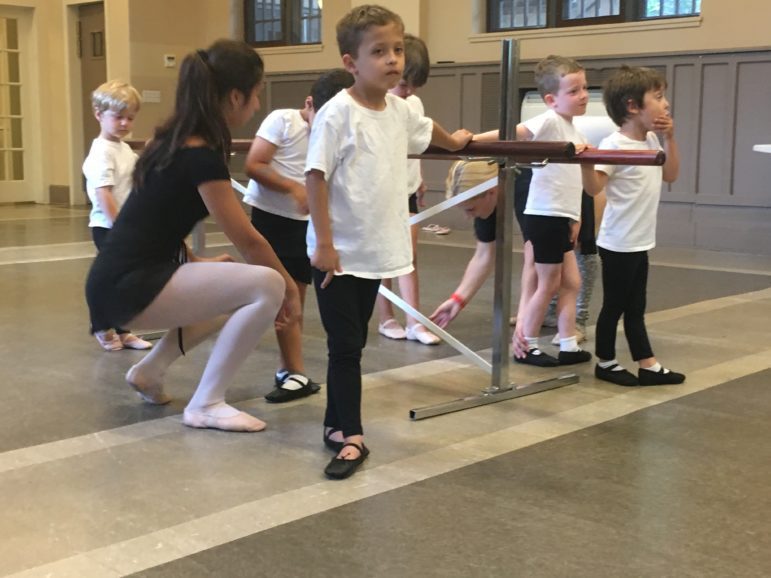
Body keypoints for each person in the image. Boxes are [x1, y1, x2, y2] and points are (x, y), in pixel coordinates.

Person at [85, 40, 301, 432]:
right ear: (235, 97)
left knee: (235, 282)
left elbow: (159, 223)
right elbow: (247, 238)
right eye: (254, 96)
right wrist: (290, 288)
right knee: (265, 283)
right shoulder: (199, 155)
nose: (255, 106)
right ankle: (206, 402)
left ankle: (149, 371)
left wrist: (198, 264)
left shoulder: (169, 142)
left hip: (114, 282)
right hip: (128, 285)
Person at [306, 4, 472, 480]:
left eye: (397, 49)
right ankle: (353, 437)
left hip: (375, 247)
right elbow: (315, 177)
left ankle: (335, 424)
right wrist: (324, 243)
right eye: (378, 51)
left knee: (353, 341)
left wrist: (457, 143)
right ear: (350, 63)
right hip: (338, 251)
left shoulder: (400, 109)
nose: (392, 60)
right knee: (344, 345)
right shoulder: (338, 113)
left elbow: (430, 133)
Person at [243, 68, 354, 404]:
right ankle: (292, 371)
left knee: (295, 300)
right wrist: (294, 188)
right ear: (309, 103)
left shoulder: (337, 130)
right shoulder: (283, 120)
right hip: (272, 220)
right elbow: (254, 163)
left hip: (303, 227)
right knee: (279, 299)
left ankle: (290, 370)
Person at [581, 65, 685, 387]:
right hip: (618, 242)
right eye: (657, 96)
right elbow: (593, 189)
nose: (665, 103)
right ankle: (606, 362)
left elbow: (670, 175)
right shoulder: (613, 146)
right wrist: (586, 161)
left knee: (636, 306)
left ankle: (647, 364)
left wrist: (670, 137)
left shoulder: (653, 139)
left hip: (640, 240)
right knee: (615, 305)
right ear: (632, 106)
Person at [508, 54, 593, 367]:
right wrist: (468, 140)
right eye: (573, 91)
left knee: (572, 282)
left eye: (584, 88)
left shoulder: (578, 135)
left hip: (561, 217)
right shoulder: (549, 121)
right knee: (549, 283)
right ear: (551, 100)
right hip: (544, 216)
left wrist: (576, 218)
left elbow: (581, 186)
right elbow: (514, 133)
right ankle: (525, 344)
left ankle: (568, 343)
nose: (583, 95)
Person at [375, 33, 440, 346]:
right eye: (404, 84)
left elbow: (418, 140)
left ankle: (415, 320)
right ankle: (386, 315)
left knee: (409, 254)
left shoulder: (412, 101)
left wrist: (421, 174)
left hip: (408, 186)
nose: (409, 91)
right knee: (385, 255)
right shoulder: (376, 102)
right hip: (382, 190)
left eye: (413, 85)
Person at [82, 80, 152, 352]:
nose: (125, 123)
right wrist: (119, 228)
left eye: (130, 118)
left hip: (125, 225)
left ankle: (123, 329)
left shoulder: (124, 149)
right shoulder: (101, 152)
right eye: (118, 117)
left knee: (127, 280)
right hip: (108, 226)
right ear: (99, 114)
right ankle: (102, 325)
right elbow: (104, 194)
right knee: (110, 278)